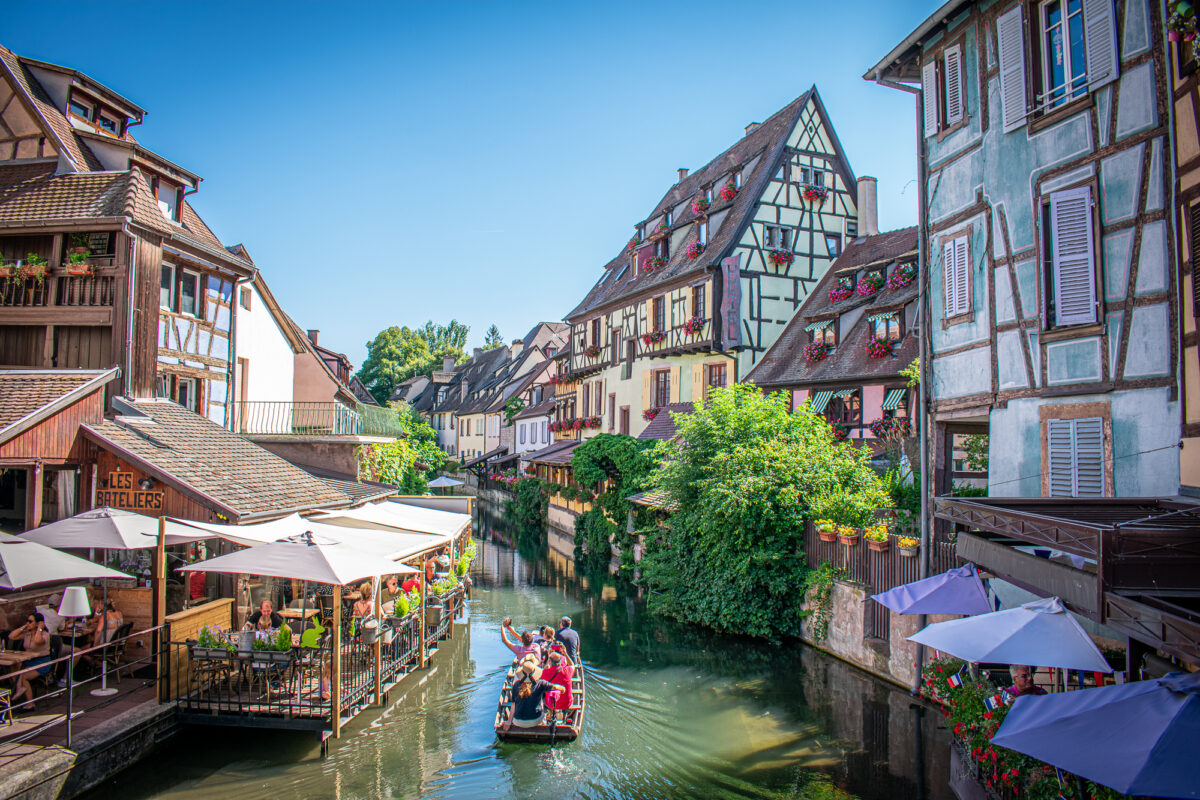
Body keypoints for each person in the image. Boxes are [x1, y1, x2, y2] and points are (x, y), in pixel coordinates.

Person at [501, 655, 566, 731]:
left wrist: (509, 721)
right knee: (542, 702)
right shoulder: (540, 683)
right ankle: (544, 722)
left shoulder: (516, 685)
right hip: (535, 720)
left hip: (518, 721)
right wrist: (563, 689)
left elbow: (513, 705)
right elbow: (555, 687)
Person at [8, 613, 51, 709]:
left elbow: (37, 641)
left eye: (30, 621)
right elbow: (11, 636)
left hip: (41, 662)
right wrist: (23, 627)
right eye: (27, 621)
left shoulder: (45, 635)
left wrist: (39, 628)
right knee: (13, 668)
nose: (28, 623)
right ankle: (20, 688)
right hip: (29, 660)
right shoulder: (27, 634)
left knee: (23, 676)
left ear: (38, 623)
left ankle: (30, 702)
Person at [541, 650, 574, 723]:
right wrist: (565, 653)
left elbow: (544, 670)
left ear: (550, 661)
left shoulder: (545, 672)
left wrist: (547, 661)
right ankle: (564, 716)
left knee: (542, 693)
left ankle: (549, 713)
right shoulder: (567, 670)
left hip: (550, 704)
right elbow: (572, 665)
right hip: (566, 703)